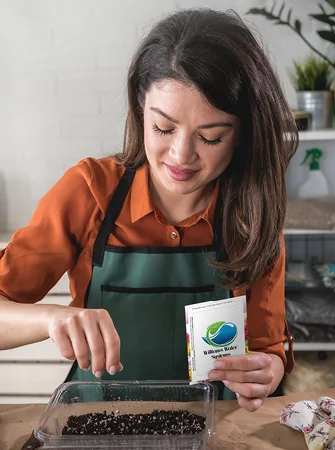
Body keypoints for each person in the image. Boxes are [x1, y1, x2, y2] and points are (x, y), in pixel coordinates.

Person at [0, 8, 297, 412]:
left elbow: (267, 350)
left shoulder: (253, 217)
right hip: (97, 422)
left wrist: (268, 369)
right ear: (141, 109)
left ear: (244, 134)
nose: (181, 155)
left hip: (218, 428)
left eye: (210, 137)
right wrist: (50, 319)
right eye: (163, 128)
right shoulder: (89, 193)